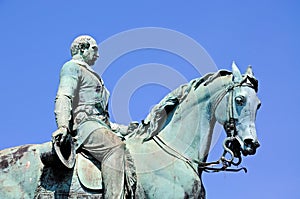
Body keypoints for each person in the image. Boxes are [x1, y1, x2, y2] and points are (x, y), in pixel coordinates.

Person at [52, 35, 136, 199]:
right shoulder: (72, 67)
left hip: (98, 125)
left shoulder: (92, 74)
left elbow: (103, 119)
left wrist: (127, 129)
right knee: (114, 148)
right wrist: (62, 125)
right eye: (94, 49)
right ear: (82, 49)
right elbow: (64, 96)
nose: (97, 54)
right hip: (85, 126)